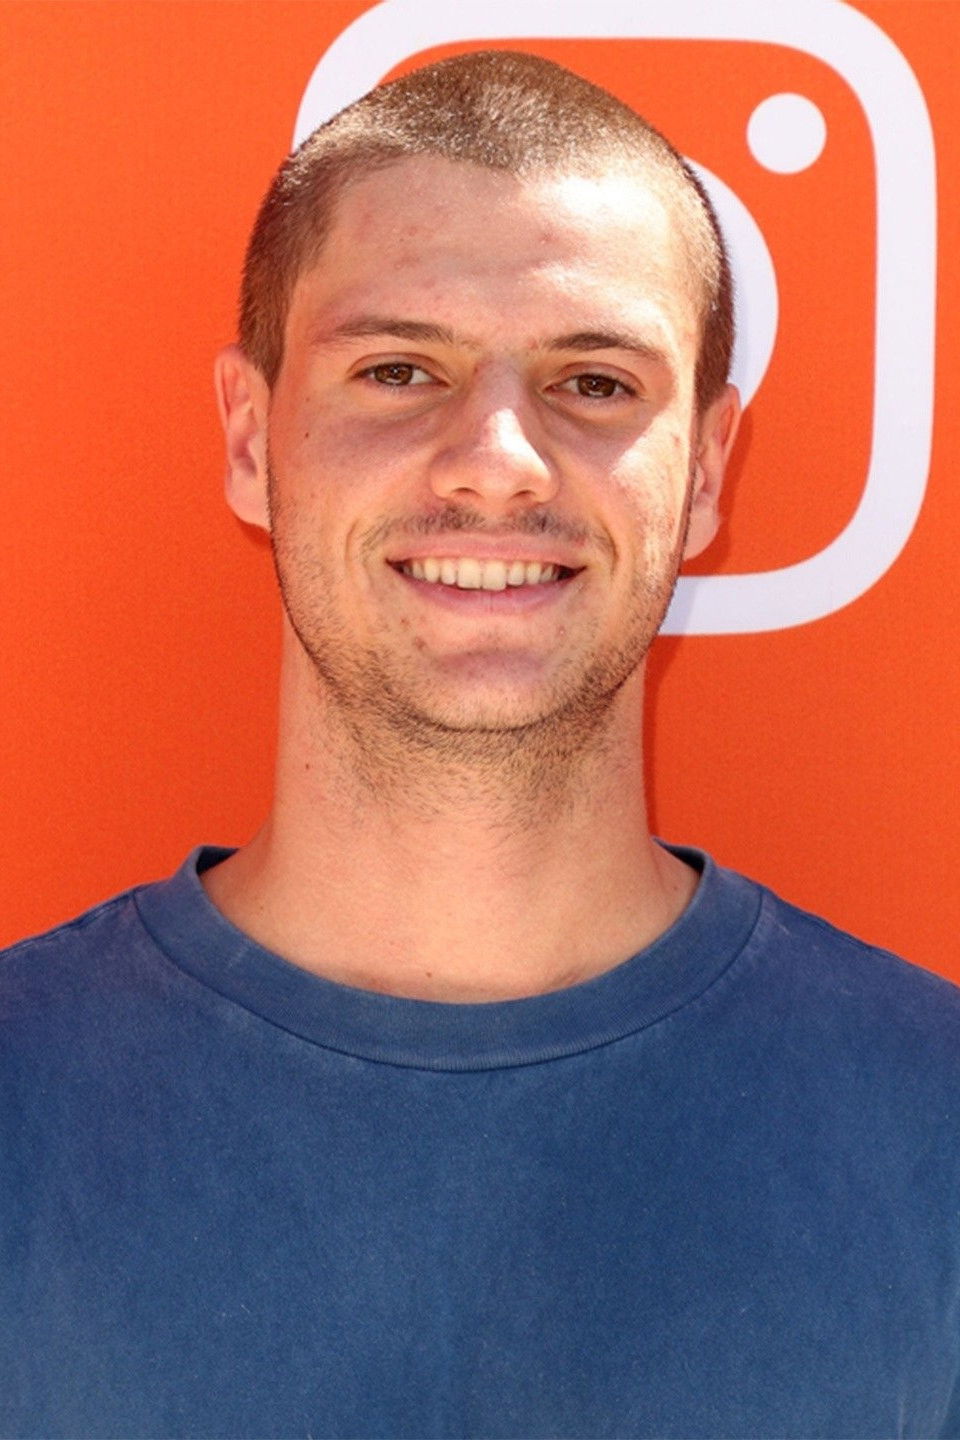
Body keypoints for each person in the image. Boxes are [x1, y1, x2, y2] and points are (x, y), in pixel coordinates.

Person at [2, 49, 958, 1440]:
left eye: (595, 382)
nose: (499, 459)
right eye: (398, 369)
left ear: (704, 473)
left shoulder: (934, 1130)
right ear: (252, 440)